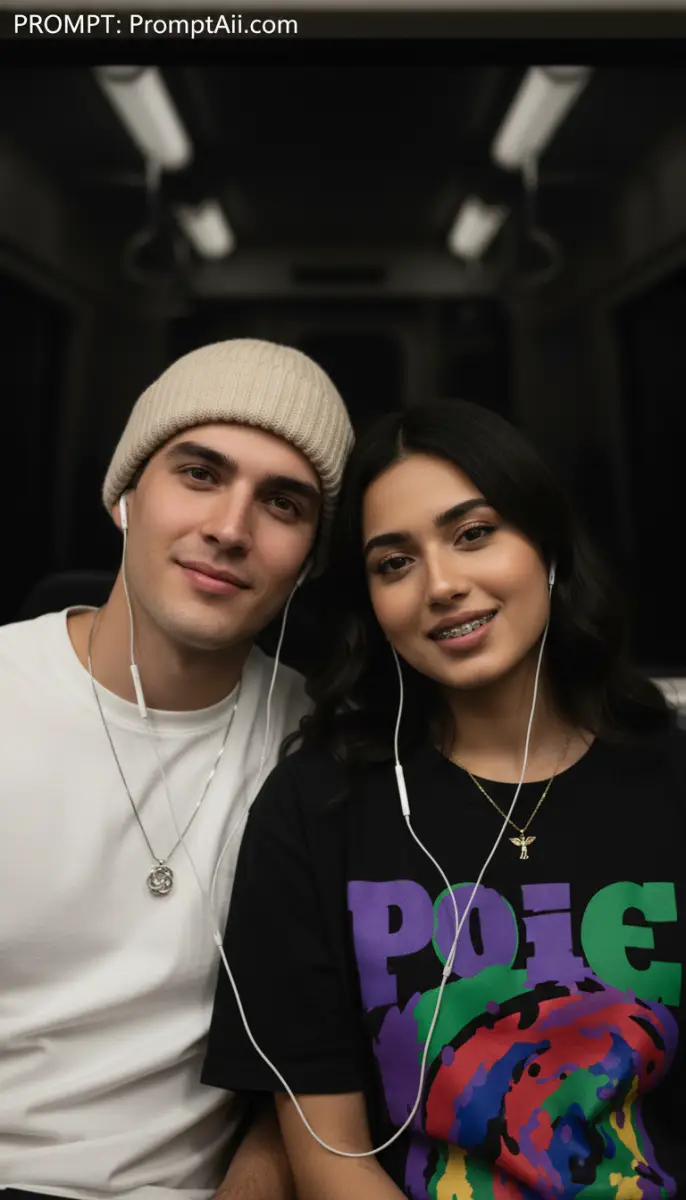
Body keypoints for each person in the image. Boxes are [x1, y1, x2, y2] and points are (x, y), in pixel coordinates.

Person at [202, 399, 686, 1200]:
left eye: (474, 533)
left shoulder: (667, 776)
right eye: (395, 563)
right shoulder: (316, 804)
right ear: (371, 605)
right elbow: (329, 1153)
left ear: (547, 543)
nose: (443, 585)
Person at [0, 338, 354, 1200]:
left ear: (308, 559)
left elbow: (322, 1044)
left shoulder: (325, 747)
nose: (229, 529)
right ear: (125, 496)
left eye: (282, 503)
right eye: (199, 473)